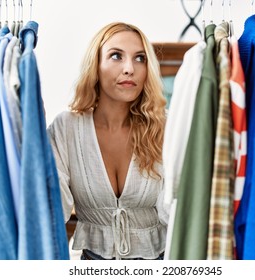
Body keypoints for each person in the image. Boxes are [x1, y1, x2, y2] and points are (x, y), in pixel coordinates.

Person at [47, 22, 169, 260]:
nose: (129, 69)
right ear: (96, 65)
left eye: (140, 58)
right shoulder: (66, 128)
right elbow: (50, 211)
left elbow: (179, 213)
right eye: (116, 56)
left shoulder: (166, 127)